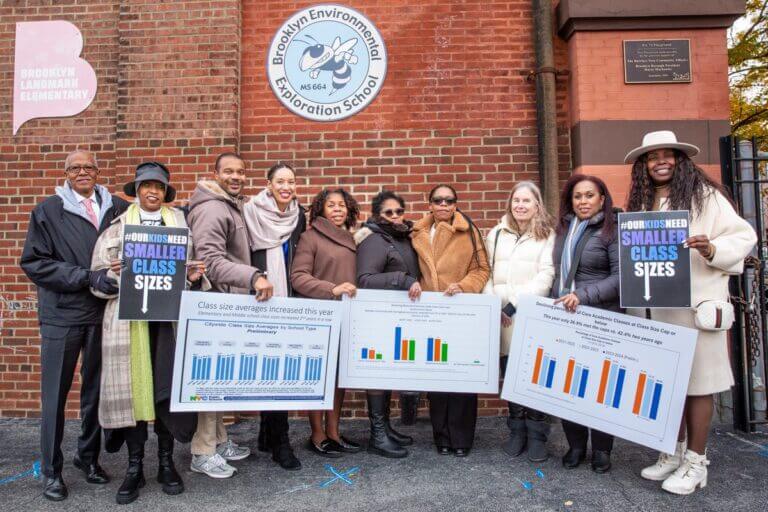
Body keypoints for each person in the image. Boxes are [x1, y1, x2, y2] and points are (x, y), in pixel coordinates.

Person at [624, 131, 757, 494]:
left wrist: (712, 248)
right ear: (644, 166)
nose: (660, 161)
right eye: (653, 157)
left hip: (696, 308)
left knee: (698, 386)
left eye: (668, 155)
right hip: (658, 310)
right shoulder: (643, 202)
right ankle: (674, 451)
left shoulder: (706, 198)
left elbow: (744, 237)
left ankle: (697, 462)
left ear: (681, 161)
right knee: (668, 385)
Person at [90, 162, 206, 504]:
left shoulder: (180, 228)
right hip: (131, 326)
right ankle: (134, 467)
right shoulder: (116, 230)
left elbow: (191, 273)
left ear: (165, 192)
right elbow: (95, 279)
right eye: (146, 186)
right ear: (137, 191)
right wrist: (113, 276)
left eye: (158, 187)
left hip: (167, 325)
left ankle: (166, 464)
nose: (152, 192)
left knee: (165, 392)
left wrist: (194, 278)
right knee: (133, 395)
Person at [20, 150, 128, 501]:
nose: (82, 172)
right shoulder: (48, 211)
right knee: (55, 396)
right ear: (65, 173)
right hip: (62, 314)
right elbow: (34, 263)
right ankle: (52, 471)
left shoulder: (118, 207)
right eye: (75, 168)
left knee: (96, 395)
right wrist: (86, 277)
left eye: (88, 167)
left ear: (98, 172)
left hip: (102, 312)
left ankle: (88, 459)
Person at [186, 153, 273, 478]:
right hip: (212, 305)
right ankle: (203, 451)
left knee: (219, 377)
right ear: (216, 174)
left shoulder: (228, 204)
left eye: (240, 172)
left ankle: (219, 440)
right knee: (209, 380)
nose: (236, 177)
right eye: (228, 172)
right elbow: (209, 260)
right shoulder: (211, 208)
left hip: (224, 304)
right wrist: (253, 277)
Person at [411, 184, 490, 457]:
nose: (444, 205)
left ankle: (462, 439)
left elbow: (482, 269)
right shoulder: (417, 231)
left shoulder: (469, 231)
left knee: (462, 376)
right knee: (437, 379)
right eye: (438, 200)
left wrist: (464, 286)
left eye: (449, 200)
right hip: (430, 314)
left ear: (456, 204)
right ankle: (441, 437)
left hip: (460, 310)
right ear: (429, 204)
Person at [551, 174, 620, 473]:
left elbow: (621, 278)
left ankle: (602, 450)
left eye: (589, 195)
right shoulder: (564, 229)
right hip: (566, 318)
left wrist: (582, 295)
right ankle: (576, 445)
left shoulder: (613, 230)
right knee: (570, 385)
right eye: (577, 196)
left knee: (601, 387)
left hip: (601, 317)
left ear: (602, 199)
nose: (583, 201)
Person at [484, 181, 555, 462]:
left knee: (533, 376)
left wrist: (515, 304)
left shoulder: (548, 235)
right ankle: (517, 432)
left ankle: (537, 435)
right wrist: (494, 304)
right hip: (501, 319)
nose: (521, 206)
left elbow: (547, 274)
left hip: (530, 315)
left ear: (537, 204)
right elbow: (484, 271)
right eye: (516, 201)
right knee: (510, 376)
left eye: (527, 201)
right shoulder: (496, 234)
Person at [291, 188, 361, 458]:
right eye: (331, 205)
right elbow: (298, 277)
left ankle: (334, 432)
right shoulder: (311, 238)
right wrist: (331, 288)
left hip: (347, 316)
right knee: (319, 377)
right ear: (320, 209)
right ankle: (317, 434)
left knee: (338, 379)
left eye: (342, 205)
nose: (337, 209)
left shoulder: (356, 239)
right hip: (320, 316)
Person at [243, 162, 305, 471]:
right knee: (265, 365)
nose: (286, 186)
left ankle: (272, 435)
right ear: (269, 185)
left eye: (291, 181)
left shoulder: (299, 215)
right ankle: (278, 440)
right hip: (257, 296)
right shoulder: (249, 211)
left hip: (286, 300)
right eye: (280, 181)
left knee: (279, 367)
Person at [354, 190, 421, 458]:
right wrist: (403, 280)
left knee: (388, 371)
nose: (395, 216)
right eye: (388, 212)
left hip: (398, 317)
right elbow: (365, 279)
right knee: (376, 374)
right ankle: (377, 435)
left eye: (399, 211)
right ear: (377, 215)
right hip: (377, 316)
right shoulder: (373, 240)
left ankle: (387, 428)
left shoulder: (401, 236)